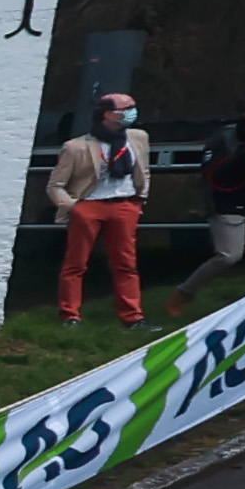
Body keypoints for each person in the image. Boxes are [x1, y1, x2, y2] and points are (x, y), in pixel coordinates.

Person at [49, 92, 153, 324]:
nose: (131, 112)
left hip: (125, 204)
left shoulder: (138, 138)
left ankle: (133, 317)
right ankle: (70, 315)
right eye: (125, 108)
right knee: (76, 262)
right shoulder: (76, 147)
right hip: (90, 205)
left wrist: (140, 199)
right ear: (108, 114)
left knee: (126, 263)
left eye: (132, 107)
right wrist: (74, 207)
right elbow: (55, 185)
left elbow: (144, 169)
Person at [210, 92, 245, 279]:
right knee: (229, 257)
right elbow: (215, 174)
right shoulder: (227, 137)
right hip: (230, 204)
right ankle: (186, 290)